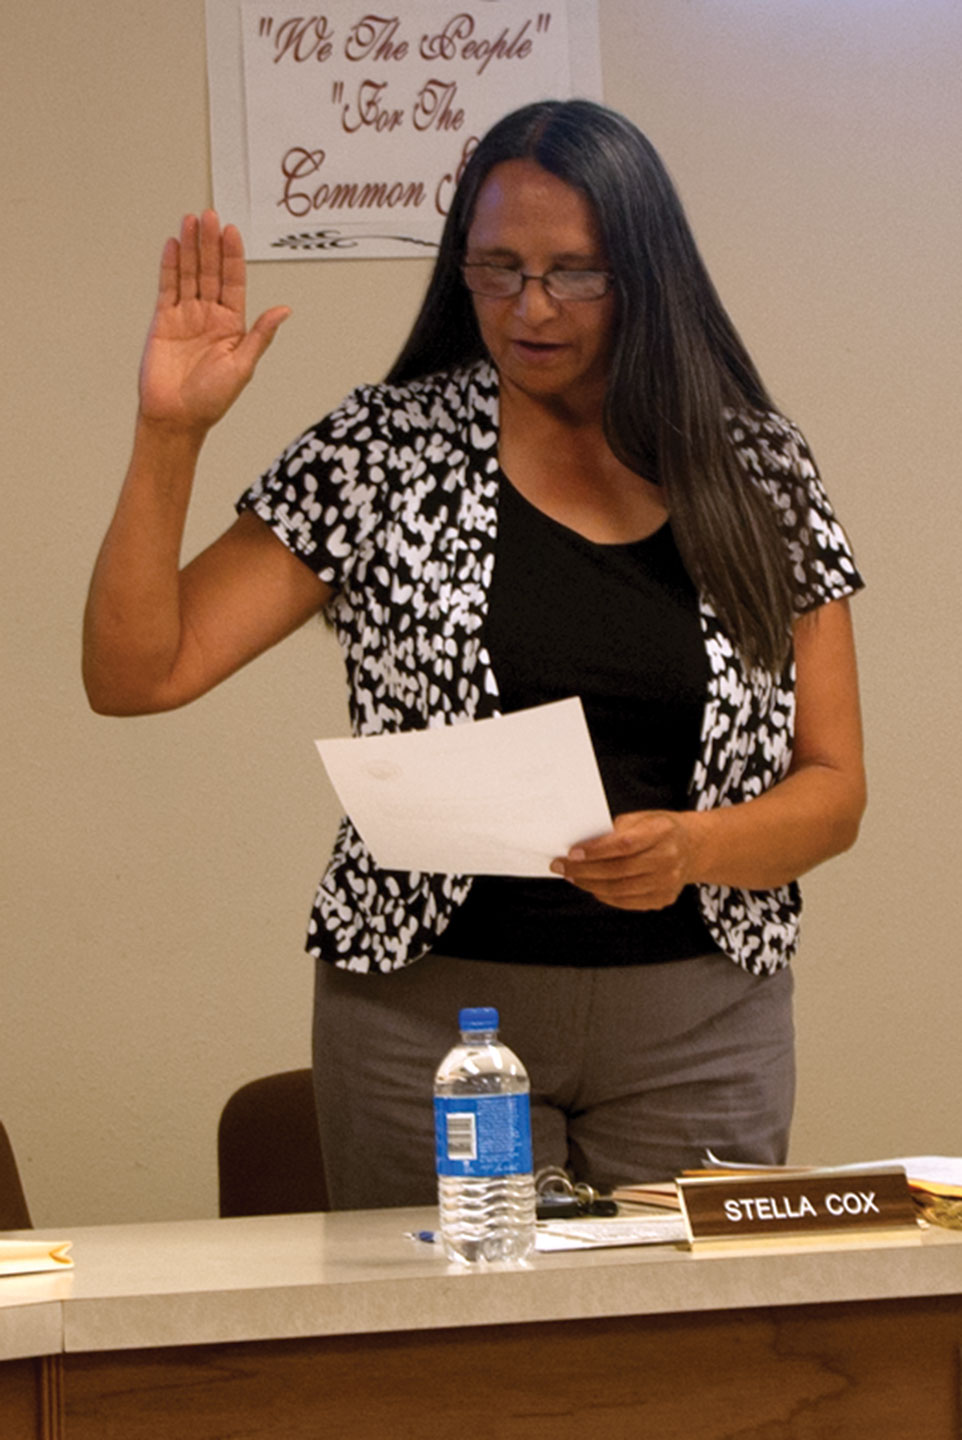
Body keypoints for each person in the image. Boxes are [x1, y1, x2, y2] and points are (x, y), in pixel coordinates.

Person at [83, 99, 866, 1208]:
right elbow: (133, 675)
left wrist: (689, 847)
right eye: (494, 270)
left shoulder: (756, 469)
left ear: (645, 275)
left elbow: (833, 793)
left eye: (571, 273)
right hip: (431, 1020)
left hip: (700, 1017)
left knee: (682, 1370)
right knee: (451, 1367)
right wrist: (171, 433)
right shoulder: (383, 447)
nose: (527, 308)